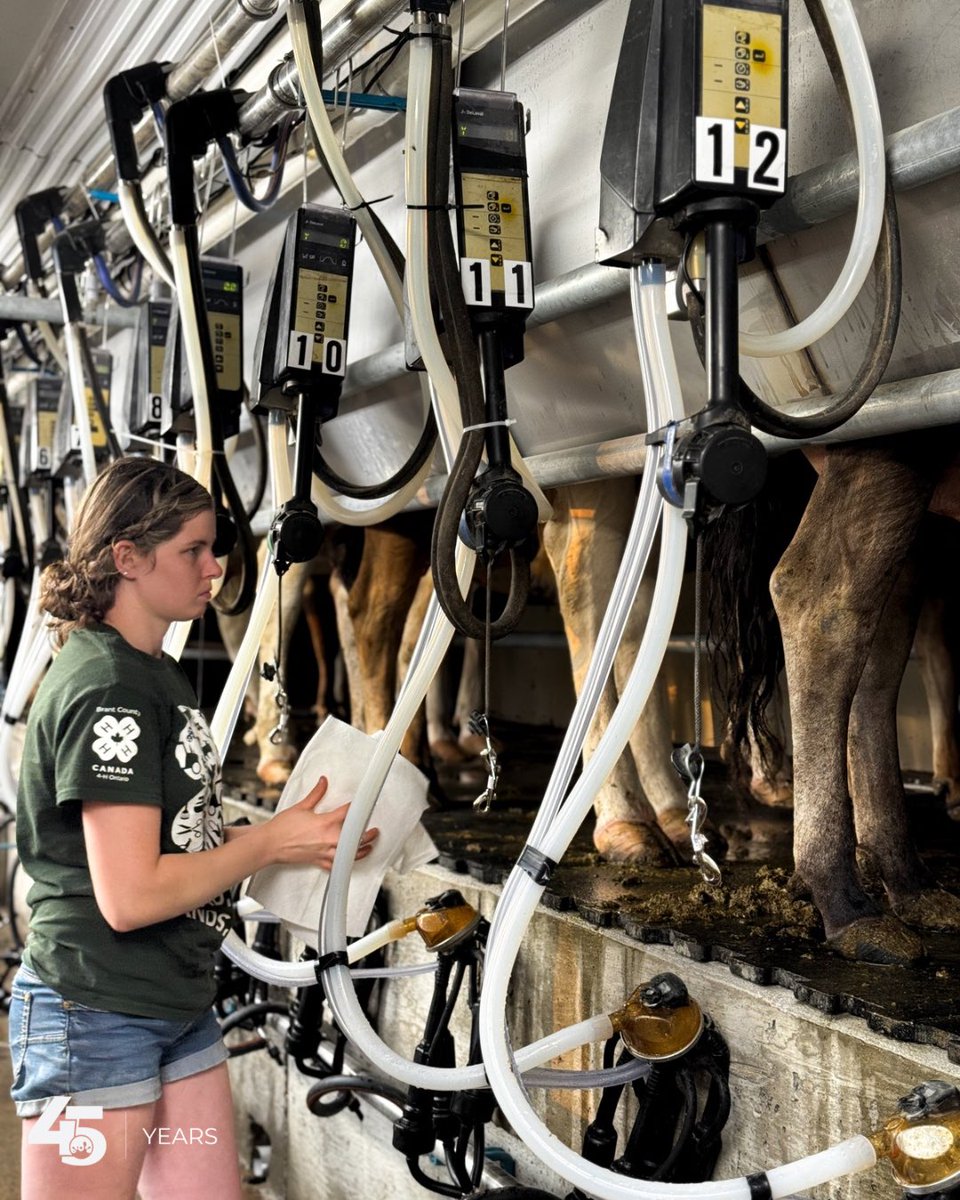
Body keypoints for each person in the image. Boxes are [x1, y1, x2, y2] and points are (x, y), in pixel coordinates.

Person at [8, 457, 378, 1199]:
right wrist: (272, 842)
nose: (216, 568)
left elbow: (179, 839)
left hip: (174, 1002)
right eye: (194, 551)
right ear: (128, 558)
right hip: (95, 1011)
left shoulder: (155, 673)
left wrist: (290, 833)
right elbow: (131, 894)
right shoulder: (106, 686)